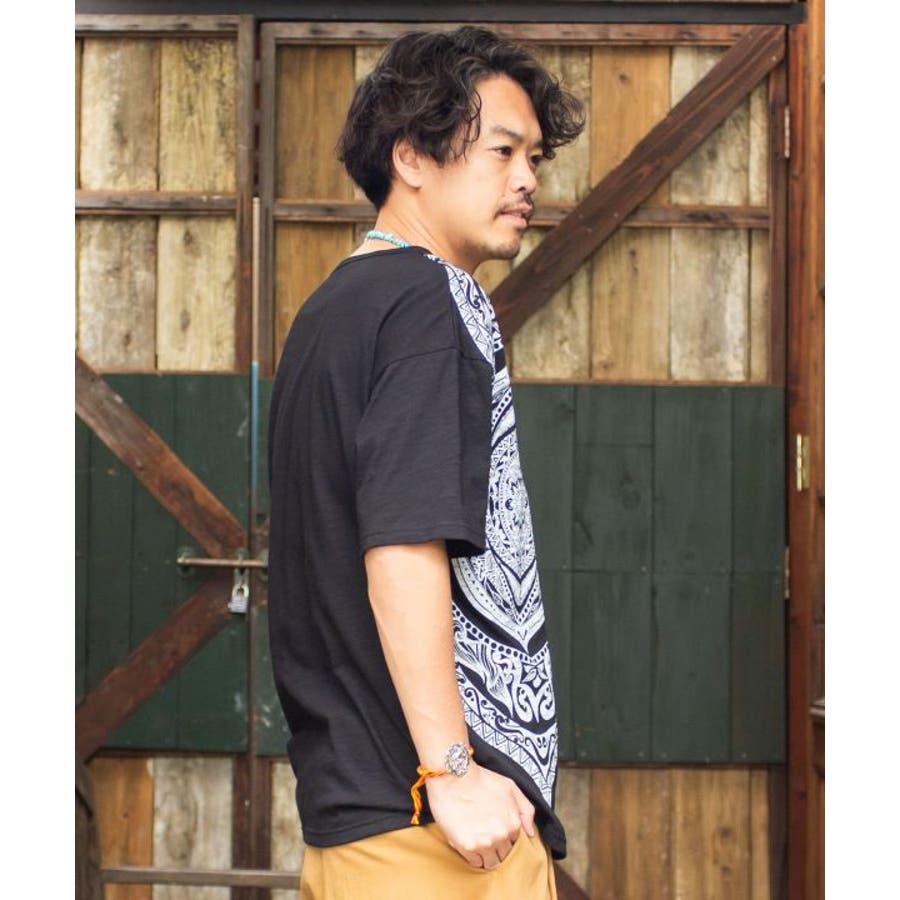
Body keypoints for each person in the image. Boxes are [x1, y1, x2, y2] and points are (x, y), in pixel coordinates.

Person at [267, 25, 584, 899]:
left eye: (535, 157)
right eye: (502, 151)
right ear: (410, 155)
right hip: (435, 837)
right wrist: (452, 769)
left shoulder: (334, 308)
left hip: (354, 829)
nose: (528, 178)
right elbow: (403, 543)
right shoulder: (430, 300)